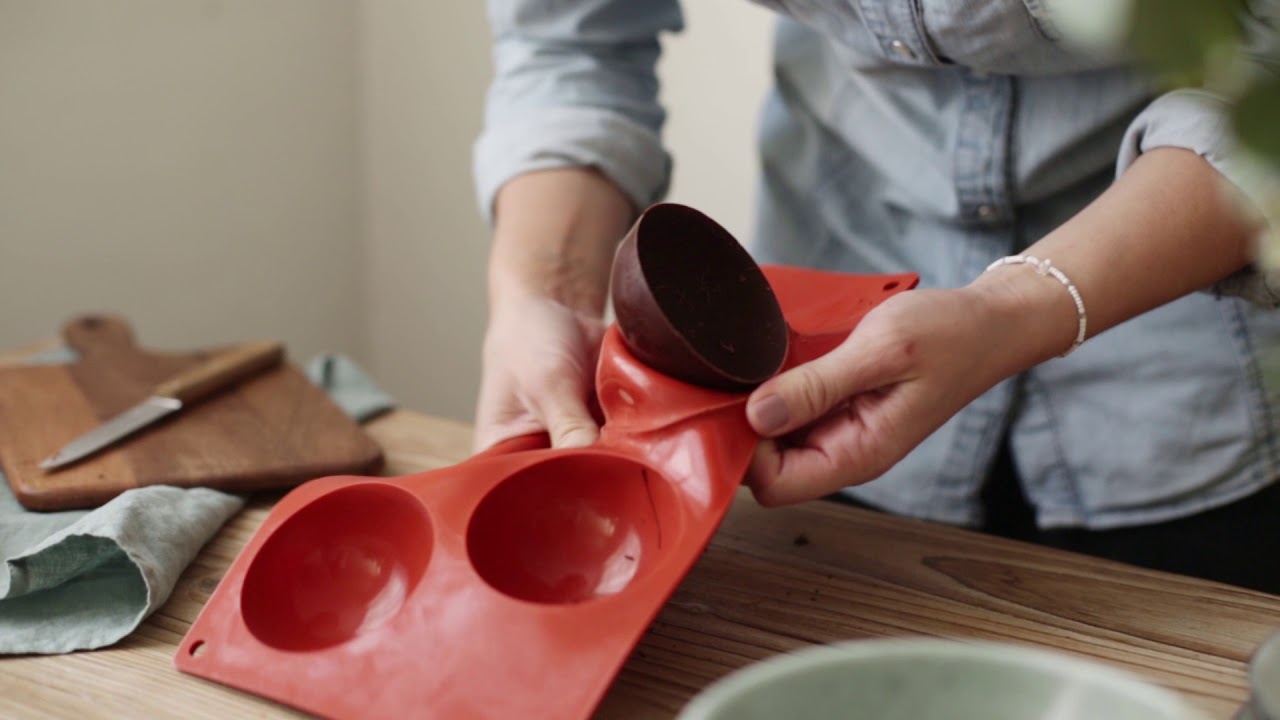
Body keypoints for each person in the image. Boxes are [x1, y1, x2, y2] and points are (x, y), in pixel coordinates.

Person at [469, 1, 1280, 593]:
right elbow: (570, 46)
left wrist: (1018, 308)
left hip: (1189, 374)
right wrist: (545, 289)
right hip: (821, 364)